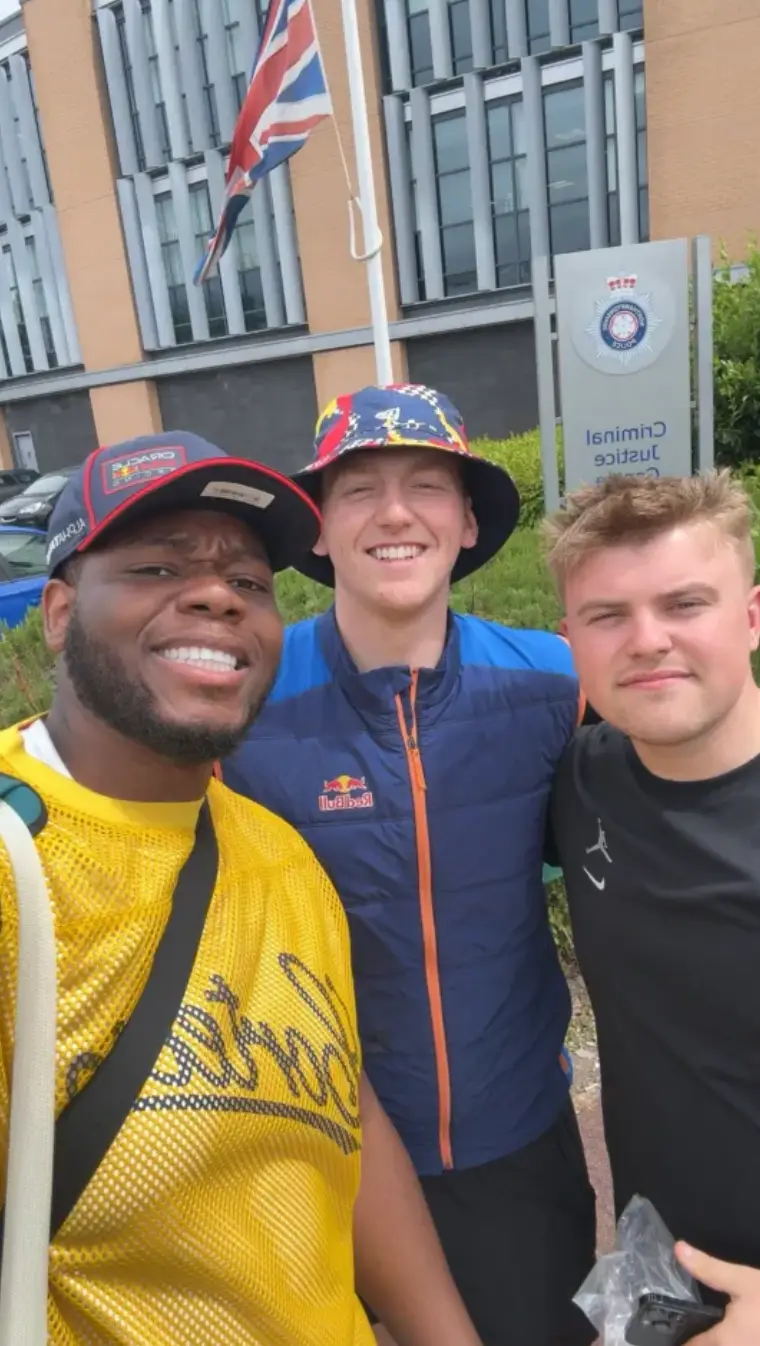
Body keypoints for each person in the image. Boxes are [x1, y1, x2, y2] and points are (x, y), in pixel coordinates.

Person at [0, 430, 484, 1345]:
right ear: (60, 611)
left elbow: (345, 1109)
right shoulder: (12, 864)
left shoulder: (278, 854)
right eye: (155, 566)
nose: (218, 594)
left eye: (250, 582)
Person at [223, 385, 597, 1346]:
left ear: (467, 521)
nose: (395, 514)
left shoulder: (556, 684)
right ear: (319, 531)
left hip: (516, 1146)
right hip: (320, 1164)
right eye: (360, 491)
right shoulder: (243, 713)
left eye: (427, 485)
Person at [545, 469, 760, 1346]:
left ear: (749, 617)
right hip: (662, 1279)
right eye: (608, 616)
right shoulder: (583, 779)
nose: (648, 641)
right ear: (571, 643)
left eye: (685, 604)